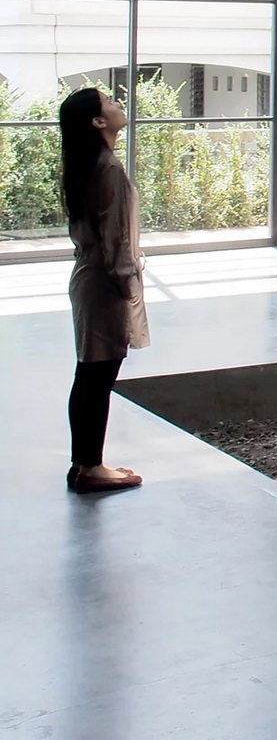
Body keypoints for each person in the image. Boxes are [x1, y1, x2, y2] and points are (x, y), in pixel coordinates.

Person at [60, 87, 148, 493]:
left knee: (91, 374)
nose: (118, 104)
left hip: (90, 277)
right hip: (103, 283)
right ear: (98, 122)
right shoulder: (107, 167)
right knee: (97, 376)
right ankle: (90, 468)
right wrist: (127, 283)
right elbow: (115, 240)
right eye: (110, 101)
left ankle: (85, 464)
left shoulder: (89, 163)